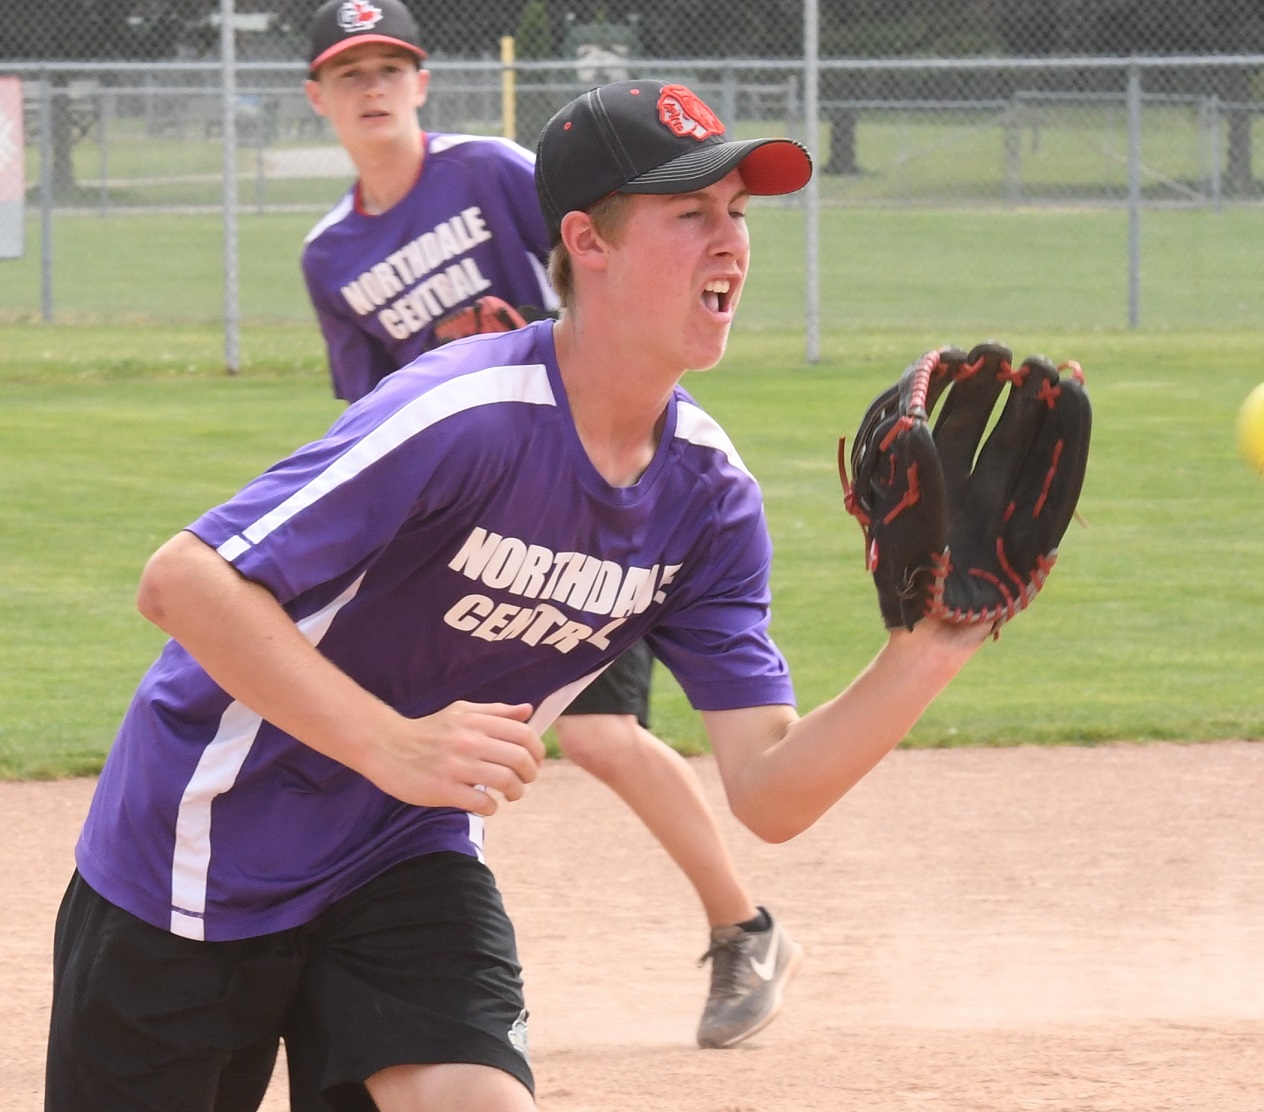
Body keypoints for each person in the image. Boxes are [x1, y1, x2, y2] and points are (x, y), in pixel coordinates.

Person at [45, 75, 991, 1111]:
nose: (729, 242)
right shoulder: (464, 415)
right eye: (689, 214)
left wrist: (926, 653)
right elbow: (182, 582)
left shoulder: (708, 498)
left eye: (737, 214)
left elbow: (767, 788)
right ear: (588, 242)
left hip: (403, 850)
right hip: (207, 841)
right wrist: (390, 743)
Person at [296, 0, 792, 1049]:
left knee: (599, 729)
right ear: (320, 99)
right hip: (478, 504)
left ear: (423, 82)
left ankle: (741, 923)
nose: (375, 88)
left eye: (393, 66)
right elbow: (370, 406)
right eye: (351, 74)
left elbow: (605, 254)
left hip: (591, 473)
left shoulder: (487, 171)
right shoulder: (331, 249)